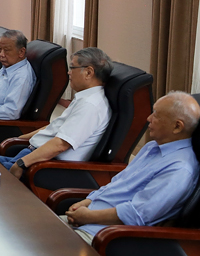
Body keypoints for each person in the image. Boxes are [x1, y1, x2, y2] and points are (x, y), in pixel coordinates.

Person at [62, 91, 200, 245]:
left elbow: (137, 214)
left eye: (156, 115)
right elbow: (118, 182)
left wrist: (88, 217)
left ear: (177, 126)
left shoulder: (180, 169)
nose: (149, 118)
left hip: (106, 236)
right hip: (88, 218)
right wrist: (88, 201)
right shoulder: (152, 147)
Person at [0, 47, 113, 178]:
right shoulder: (85, 98)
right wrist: (20, 139)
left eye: (72, 68)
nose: (68, 72)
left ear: (88, 72)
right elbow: (54, 127)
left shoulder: (90, 105)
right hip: (32, 155)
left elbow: (60, 145)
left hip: (43, 166)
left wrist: (21, 164)